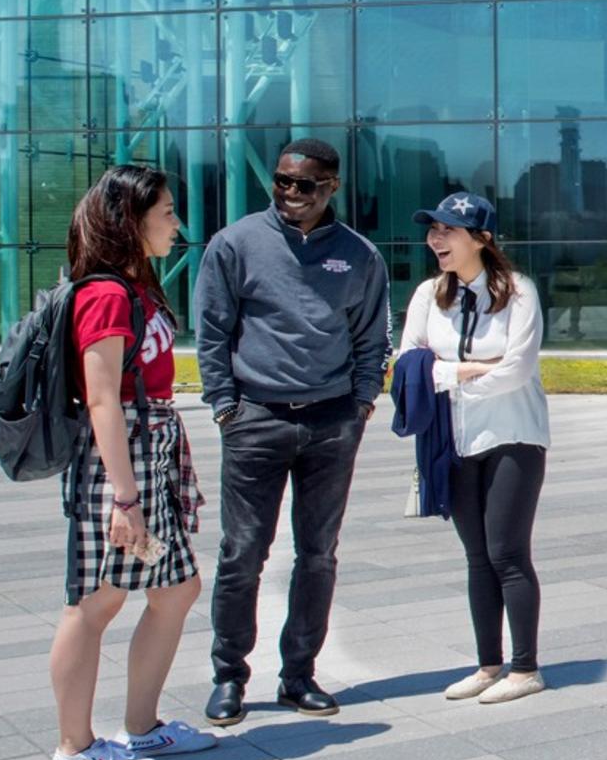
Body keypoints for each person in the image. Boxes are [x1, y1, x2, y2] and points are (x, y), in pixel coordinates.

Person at [194, 137, 393, 725]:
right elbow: (212, 331)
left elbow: (370, 338)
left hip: (331, 423)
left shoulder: (359, 257)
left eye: (304, 185)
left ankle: (298, 676)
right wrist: (226, 406)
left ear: (331, 186)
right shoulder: (235, 244)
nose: (289, 194)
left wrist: (359, 404)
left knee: (318, 555)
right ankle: (229, 676)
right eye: (281, 181)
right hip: (255, 419)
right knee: (241, 553)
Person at [48, 164, 216, 760]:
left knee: (175, 589)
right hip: (119, 466)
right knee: (96, 602)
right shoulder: (105, 294)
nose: (177, 223)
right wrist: (125, 499)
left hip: (150, 456)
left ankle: (142, 730)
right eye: (167, 211)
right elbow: (101, 401)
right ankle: (74, 748)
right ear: (130, 219)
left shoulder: (135, 287)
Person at [397, 191, 549, 705]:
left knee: (507, 552)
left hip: (513, 437)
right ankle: (489, 665)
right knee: (477, 556)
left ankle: (525, 668)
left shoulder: (519, 293)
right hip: (453, 440)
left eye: (447, 230)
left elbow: (518, 371)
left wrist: (448, 379)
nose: (435, 239)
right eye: (432, 229)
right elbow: (405, 367)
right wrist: (462, 372)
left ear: (481, 239)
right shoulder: (427, 295)